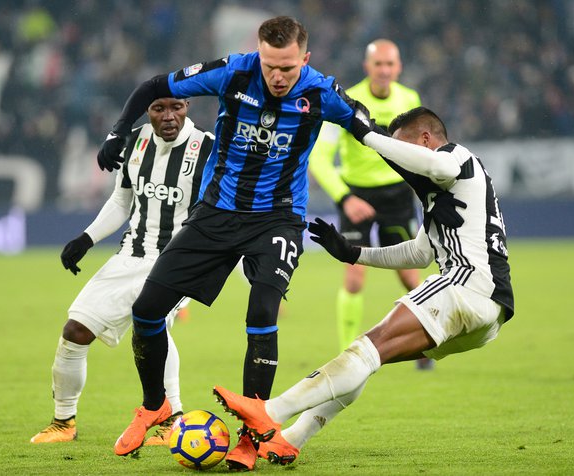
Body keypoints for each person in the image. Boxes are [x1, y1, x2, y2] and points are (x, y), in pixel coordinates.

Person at [95, 16, 380, 470]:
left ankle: (252, 432)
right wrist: (117, 132)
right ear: (259, 54)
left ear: (304, 59)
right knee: (146, 309)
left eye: (287, 67)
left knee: (263, 312)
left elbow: (366, 126)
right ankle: (156, 406)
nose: (277, 76)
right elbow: (153, 86)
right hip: (216, 213)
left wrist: (408, 161)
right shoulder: (234, 71)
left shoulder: (322, 92)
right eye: (270, 65)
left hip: (278, 218)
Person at [213, 106, 514, 465]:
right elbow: (419, 253)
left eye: (402, 148)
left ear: (425, 140)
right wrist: (353, 252)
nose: (400, 161)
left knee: (364, 349)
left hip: (466, 285)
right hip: (488, 311)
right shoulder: (445, 196)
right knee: (370, 359)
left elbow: (435, 165)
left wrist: (370, 137)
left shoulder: (456, 157)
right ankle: (290, 439)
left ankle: (269, 412)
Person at [30, 97, 214, 446]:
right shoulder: (135, 141)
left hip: (177, 259)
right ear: (147, 111)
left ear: (188, 105)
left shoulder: (207, 149)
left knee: (151, 327)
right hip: (130, 255)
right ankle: (63, 422)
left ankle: (169, 419)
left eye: (176, 106)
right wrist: (86, 238)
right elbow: (121, 201)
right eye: (159, 108)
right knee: (75, 331)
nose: (169, 116)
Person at [309, 40, 429, 370]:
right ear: (368, 67)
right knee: (354, 276)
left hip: (396, 196)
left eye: (390, 64)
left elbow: (420, 152)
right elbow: (319, 157)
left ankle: (425, 343)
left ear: (399, 67)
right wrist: (345, 198)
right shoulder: (347, 102)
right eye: (379, 64)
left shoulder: (410, 100)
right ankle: (346, 353)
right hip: (357, 195)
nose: (385, 71)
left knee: (408, 274)